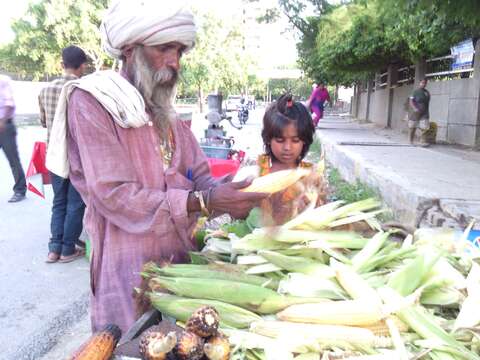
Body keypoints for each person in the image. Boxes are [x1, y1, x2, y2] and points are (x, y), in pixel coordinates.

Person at [46, 1, 266, 333]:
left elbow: (201, 178)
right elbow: (114, 195)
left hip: (182, 272)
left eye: (179, 51)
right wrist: (204, 202)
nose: (175, 62)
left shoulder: (167, 115)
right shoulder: (93, 102)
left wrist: (247, 186)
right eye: (165, 48)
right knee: (130, 346)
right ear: (131, 50)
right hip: (127, 274)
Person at [39, 45, 88, 263]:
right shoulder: (82, 90)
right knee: (75, 203)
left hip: (54, 156)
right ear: (83, 66)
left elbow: (43, 123)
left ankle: (54, 249)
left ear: (61, 64)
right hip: (76, 157)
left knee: (59, 201)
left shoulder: (45, 90)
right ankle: (68, 249)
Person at [258, 94, 324, 224]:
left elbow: (321, 209)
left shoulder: (311, 175)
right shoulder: (258, 171)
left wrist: (313, 204)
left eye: (295, 140)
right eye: (280, 140)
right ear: (268, 139)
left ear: (304, 141)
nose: (287, 147)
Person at [0, 74, 27, 203]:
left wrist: (2, 121)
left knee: (13, 160)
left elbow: (9, 103)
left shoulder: (3, 81)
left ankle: (20, 190)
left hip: (4, 126)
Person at [408, 77, 430, 145]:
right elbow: (411, 101)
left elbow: (427, 102)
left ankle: (422, 141)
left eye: (425, 83)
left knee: (425, 127)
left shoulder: (427, 92)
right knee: (412, 126)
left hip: (424, 112)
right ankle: (410, 141)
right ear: (419, 83)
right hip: (416, 112)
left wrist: (426, 111)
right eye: (422, 83)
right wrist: (414, 108)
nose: (423, 84)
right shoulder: (415, 92)